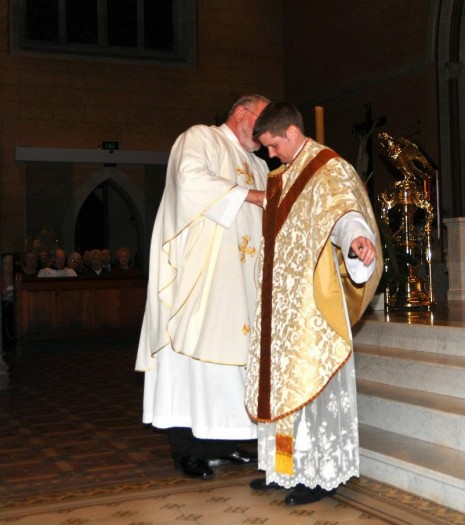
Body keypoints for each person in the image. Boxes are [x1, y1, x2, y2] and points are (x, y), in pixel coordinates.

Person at [244, 102, 383, 505]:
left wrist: (357, 239)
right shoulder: (282, 177)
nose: (269, 154)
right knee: (284, 397)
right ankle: (285, 468)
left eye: (271, 145)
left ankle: (323, 473)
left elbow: (344, 212)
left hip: (310, 309)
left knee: (313, 392)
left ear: (290, 133)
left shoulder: (327, 168)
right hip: (279, 308)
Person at [135, 94, 271, 480]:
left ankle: (223, 442)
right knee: (189, 360)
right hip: (201, 278)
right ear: (241, 112)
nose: (264, 134)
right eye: (262, 120)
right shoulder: (199, 138)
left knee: (233, 367)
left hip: (242, 283)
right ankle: (188, 449)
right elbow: (190, 180)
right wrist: (252, 196)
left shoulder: (259, 164)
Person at [1, 253, 15, 350]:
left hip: (14, 302)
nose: (9, 266)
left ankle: (12, 340)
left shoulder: (17, 276)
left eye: (10, 264)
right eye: (6, 264)